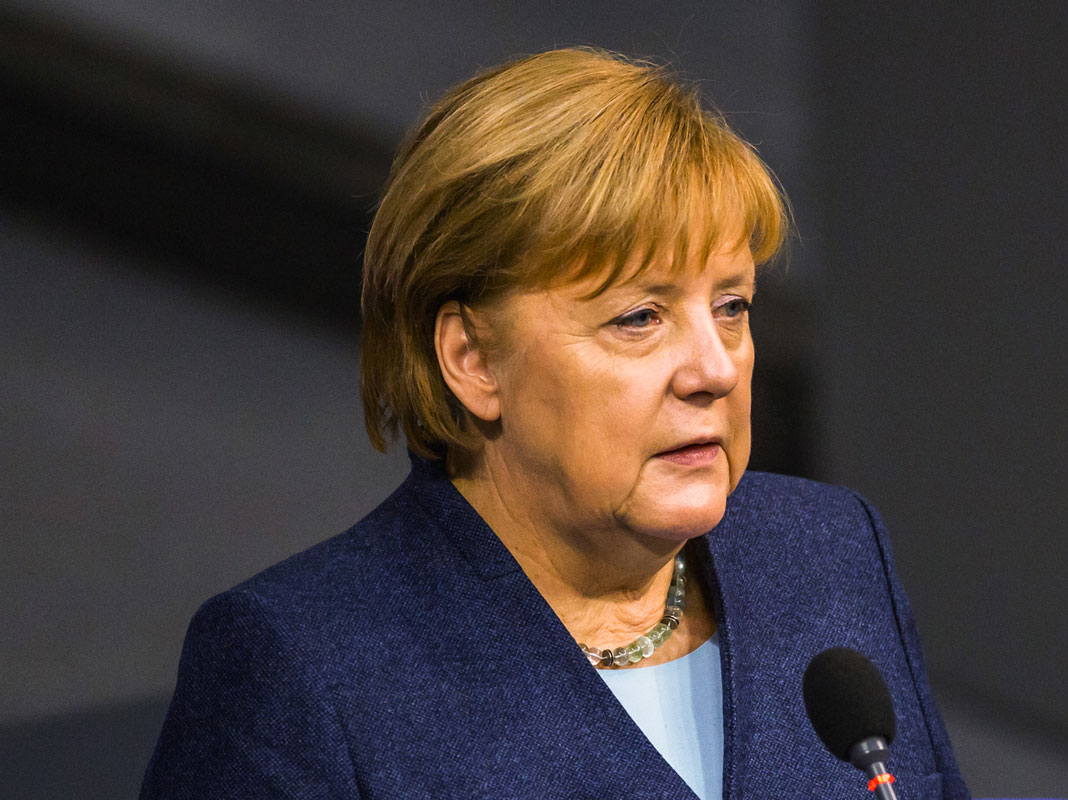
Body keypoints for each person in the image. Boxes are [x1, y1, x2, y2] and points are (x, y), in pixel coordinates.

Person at [141, 48, 969, 799]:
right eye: (639, 317)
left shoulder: (827, 552)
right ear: (472, 358)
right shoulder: (304, 673)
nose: (716, 368)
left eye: (732, 306)